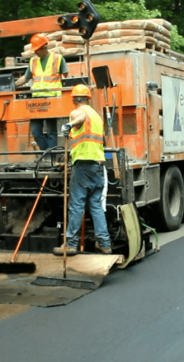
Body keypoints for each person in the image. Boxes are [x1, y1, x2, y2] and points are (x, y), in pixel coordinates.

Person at [54, 84, 111, 256]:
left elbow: (80, 117)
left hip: (83, 166)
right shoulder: (97, 116)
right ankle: (104, 243)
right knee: (95, 205)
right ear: (88, 98)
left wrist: (68, 125)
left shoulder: (79, 112)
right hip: (98, 166)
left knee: (77, 204)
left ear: (74, 99)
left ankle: (71, 244)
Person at [15, 34, 69, 154]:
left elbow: (67, 78)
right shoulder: (33, 61)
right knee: (35, 131)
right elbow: (26, 78)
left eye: (37, 49)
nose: (35, 52)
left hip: (52, 98)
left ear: (44, 47)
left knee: (51, 131)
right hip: (36, 99)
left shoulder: (58, 59)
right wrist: (14, 85)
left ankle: (50, 158)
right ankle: (47, 154)